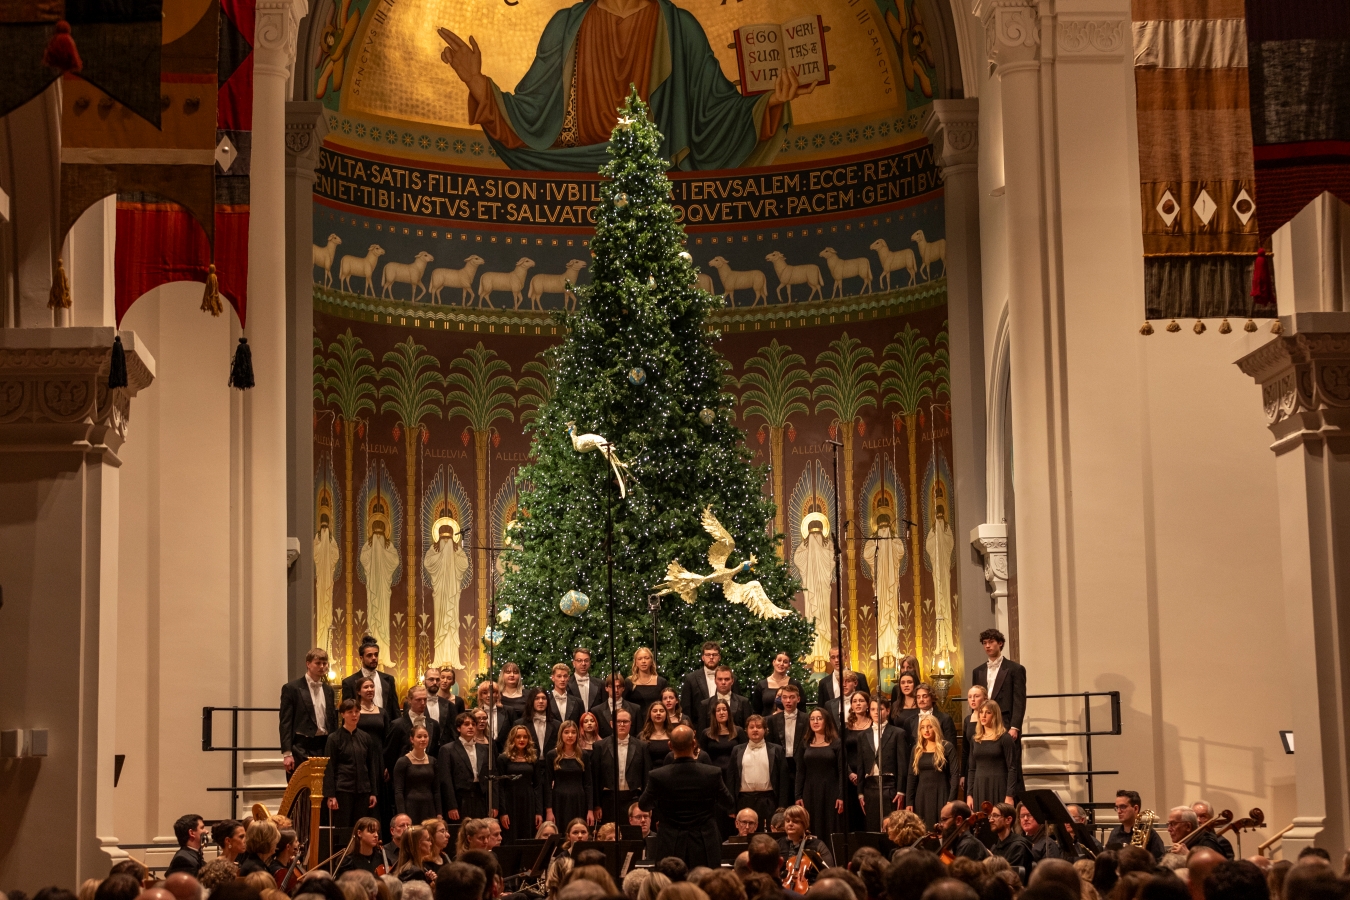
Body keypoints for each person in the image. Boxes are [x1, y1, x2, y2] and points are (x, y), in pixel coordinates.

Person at [637, 724, 735, 870]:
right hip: (704, 841)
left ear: (670, 745)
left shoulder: (658, 776)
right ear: (694, 744)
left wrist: (660, 804)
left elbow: (643, 805)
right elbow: (729, 803)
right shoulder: (712, 773)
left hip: (670, 841)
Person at [325, 700, 382, 846]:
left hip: (363, 790)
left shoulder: (365, 737)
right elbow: (330, 767)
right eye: (350, 712)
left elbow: (371, 766)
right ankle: (343, 861)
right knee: (344, 829)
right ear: (343, 714)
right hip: (343, 790)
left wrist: (373, 792)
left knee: (361, 828)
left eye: (357, 711)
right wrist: (331, 795)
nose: (354, 715)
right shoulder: (334, 738)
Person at [851, 698, 907, 832]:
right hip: (870, 788)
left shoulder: (898, 733)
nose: (876, 712)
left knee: (891, 827)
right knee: (872, 827)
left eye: (880, 709)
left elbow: (902, 764)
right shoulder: (863, 735)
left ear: (887, 711)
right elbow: (861, 765)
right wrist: (860, 792)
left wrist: (900, 790)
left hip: (890, 788)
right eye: (873, 709)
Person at [726, 715, 788, 834]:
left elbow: (783, 780)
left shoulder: (777, 750)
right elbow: (731, 779)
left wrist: (782, 807)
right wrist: (731, 806)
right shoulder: (737, 750)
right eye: (752, 727)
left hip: (768, 801)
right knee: (745, 836)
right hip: (744, 801)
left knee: (767, 835)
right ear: (746, 730)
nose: (755, 730)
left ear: (765, 730)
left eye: (759, 727)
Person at [281, 649, 337, 776]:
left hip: (324, 745)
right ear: (308, 664)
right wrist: (287, 754)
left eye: (325, 663)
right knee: (301, 788)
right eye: (318, 663)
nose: (322, 667)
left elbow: (332, 720)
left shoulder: (329, 690)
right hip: (301, 746)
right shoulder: (292, 688)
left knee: (324, 788)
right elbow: (285, 723)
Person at [795, 708, 845, 843]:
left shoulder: (837, 743)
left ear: (826, 721)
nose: (815, 722)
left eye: (819, 718)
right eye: (812, 719)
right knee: (811, 824)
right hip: (810, 791)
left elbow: (842, 771)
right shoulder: (805, 743)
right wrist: (798, 795)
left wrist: (841, 795)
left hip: (831, 790)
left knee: (831, 825)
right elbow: (800, 771)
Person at [592, 708, 648, 824]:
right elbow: (596, 778)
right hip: (609, 800)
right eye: (618, 721)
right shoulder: (599, 746)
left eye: (625, 721)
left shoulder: (642, 746)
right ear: (612, 724)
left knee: (632, 837)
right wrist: (597, 805)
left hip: (634, 800)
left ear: (631, 723)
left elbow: (646, 777)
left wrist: (645, 804)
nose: (622, 724)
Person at [905, 714, 959, 830]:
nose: (926, 730)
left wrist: (951, 800)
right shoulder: (916, 749)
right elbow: (911, 776)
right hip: (922, 795)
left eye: (929, 726)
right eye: (923, 727)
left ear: (936, 727)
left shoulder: (947, 747)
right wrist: (909, 801)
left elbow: (955, 775)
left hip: (942, 793)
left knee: (942, 829)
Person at [971, 631, 1026, 742]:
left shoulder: (1015, 669)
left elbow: (1019, 700)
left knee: (1008, 758)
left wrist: (1015, 727)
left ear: (1000, 643)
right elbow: (975, 699)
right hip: (983, 723)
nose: (987, 646)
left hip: (1006, 722)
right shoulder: (978, 671)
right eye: (985, 643)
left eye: (991, 642)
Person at [498, 725, 547, 842]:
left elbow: (537, 786)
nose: (522, 740)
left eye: (525, 737)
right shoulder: (503, 758)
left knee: (527, 836)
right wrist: (503, 812)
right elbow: (500, 786)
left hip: (528, 801)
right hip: (510, 800)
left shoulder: (533, 759)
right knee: (510, 836)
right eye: (518, 737)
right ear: (512, 739)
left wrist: (538, 812)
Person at [439, 712, 490, 820]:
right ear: (458, 728)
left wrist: (493, 804)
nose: (471, 727)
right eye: (466, 724)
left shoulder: (484, 749)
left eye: (473, 724)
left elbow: (492, 776)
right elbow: (446, 780)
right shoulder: (447, 749)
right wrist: (451, 806)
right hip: (460, 799)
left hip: (480, 798)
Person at [966, 701, 1016, 809]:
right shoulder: (975, 739)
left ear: (995, 715)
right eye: (981, 712)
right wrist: (969, 794)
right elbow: (972, 769)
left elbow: (1012, 768)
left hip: (999, 785)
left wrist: (1009, 795)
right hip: (979, 786)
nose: (983, 715)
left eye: (988, 712)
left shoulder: (1004, 738)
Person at [547, 720, 595, 828]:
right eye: (566, 732)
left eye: (573, 732)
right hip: (559, 800)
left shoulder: (584, 755)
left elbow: (588, 784)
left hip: (579, 800)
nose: (570, 735)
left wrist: (590, 810)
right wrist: (549, 810)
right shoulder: (552, 755)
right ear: (561, 734)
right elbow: (547, 785)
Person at [393, 724, 442, 823]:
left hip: (429, 807)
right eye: (419, 737)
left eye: (425, 736)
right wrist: (402, 814)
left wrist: (439, 813)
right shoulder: (403, 762)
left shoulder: (433, 761)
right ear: (412, 739)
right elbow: (398, 791)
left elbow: (436, 790)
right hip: (410, 806)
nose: (423, 739)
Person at [343, 638, 400, 720]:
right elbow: (347, 711)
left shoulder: (389, 679)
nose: (374, 658)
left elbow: (395, 709)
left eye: (376, 655)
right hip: (361, 727)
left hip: (386, 728)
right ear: (361, 658)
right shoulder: (349, 682)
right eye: (369, 655)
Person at [388, 686, 444, 769]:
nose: (422, 703)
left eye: (425, 699)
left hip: (428, 772)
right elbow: (391, 753)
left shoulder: (434, 724)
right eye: (418, 700)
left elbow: (435, 752)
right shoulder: (397, 725)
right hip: (405, 772)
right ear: (409, 700)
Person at [766, 683, 810, 786]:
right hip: (781, 765)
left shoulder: (807, 719)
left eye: (791, 697)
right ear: (781, 700)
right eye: (784, 697)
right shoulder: (772, 720)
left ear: (798, 699)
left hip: (801, 765)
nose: (788, 701)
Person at [779, 805, 834, 884]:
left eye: (795, 821)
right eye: (787, 821)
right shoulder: (779, 844)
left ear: (804, 824)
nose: (790, 824)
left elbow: (829, 872)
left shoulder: (818, 845)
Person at [1105, 791, 1165, 861]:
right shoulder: (1114, 833)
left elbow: (1160, 861)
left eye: (1122, 807)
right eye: (1117, 807)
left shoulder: (1149, 834)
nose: (1118, 811)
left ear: (1135, 809)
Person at [682, 642, 725, 733]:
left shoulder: (728, 678)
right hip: (699, 729)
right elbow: (686, 707)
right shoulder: (691, 679)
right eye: (708, 654)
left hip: (725, 728)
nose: (711, 657)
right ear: (703, 657)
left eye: (714, 655)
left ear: (719, 657)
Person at [703, 698, 746, 780]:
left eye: (724, 710)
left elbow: (744, 753)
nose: (721, 713)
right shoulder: (706, 733)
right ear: (714, 714)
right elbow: (703, 755)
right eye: (718, 710)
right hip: (713, 774)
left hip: (734, 774)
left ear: (729, 713)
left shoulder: (738, 731)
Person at [1165, 807, 1231, 859]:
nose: (1169, 829)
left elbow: (1215, 870)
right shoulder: (1183, 844)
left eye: (1173, 824)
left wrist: (1188, 855)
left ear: (1188, 826)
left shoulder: (1207, 843)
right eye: (1168, 824)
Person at [751, 653, 802, 717]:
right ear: (774, 662)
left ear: (789, 666)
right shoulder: (762, 685)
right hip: (766, 724)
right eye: (779, 660)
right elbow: (756, 712)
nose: (781, 664)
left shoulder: (795, 684)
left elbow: (801, 709)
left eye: (785, 662)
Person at [988, 803, 1033, 873]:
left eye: (995, 816)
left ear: (1008, 820)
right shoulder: (994, 847)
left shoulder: (1018, 846)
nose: (991, 820)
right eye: (990, 816)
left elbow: (1011, 876)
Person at [593, 673, 640, 738]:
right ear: (606, 688)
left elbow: (638, 734)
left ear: (623, 688)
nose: (616, 690)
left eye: (619, 687)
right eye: (612, 687)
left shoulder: (635, 709)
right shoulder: (596, 711)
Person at [704, 666, 752, 731]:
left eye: (727, 679)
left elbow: (748, 729)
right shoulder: (705, 704)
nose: (723, 682)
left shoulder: (744, 702)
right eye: (720, 679)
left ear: (732, 681)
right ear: (715, 681)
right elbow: (702, 731)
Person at [627, 647, 669, 720]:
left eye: (646, 658)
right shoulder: (629, 682)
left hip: (656, 721)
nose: (643, 661)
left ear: (651, 661)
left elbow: (666, 704)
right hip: (635, 721)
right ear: (636, 663)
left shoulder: (661, 682)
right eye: (640, 659)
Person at [961, 686, 987, 794]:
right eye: (970, 697)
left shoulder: (988, 718)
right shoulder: (967, 720)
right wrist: (962, 774)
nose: (972, 699)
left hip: (985, 764)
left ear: (985, 698)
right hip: (971, 766)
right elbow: (965, 749)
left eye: (976, 696)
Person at [474, 682, 512, 753]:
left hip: (505, 753)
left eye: (492, 692)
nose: (489, 695)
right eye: (485, 693)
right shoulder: (476, 713)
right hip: (482, 751)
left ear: (497, 694)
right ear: (481, 696)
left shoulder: (508, 711)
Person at [523, 687, 559, 755]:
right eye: (537, 698)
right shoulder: (521, 724)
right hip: (528, 763)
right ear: (531, 701)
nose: (541, 701)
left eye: (544, 698)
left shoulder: (556, 725)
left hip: (550, 763)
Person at [419, 666, 454, 736]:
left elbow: (453, 732)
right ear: (424, 681)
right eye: (431, 679)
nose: (435, 682)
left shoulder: (449, 705)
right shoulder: (415, 704)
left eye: (437, 680)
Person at [641, 700, 674, 771]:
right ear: (650, 714)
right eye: (655, 711)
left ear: (666, 714)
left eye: (661, 711)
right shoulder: (642, 736)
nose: (658, 713)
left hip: (669, 773)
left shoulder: (673, 735)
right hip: (649, 774)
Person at [890, 673, 921, 738]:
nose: (906, 685)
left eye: (909, 682)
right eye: (903, 683)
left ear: (915, 684)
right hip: (900, 742)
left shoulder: (922, 704)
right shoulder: (895, 705)